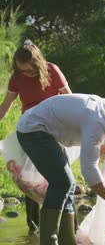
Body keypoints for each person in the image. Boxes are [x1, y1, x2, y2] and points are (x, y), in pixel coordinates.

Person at [16, 94, 105, 245]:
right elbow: (88, 170)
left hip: (50, 132)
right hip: (33, 129)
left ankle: (68, 241)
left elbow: (104, 136)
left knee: (69, 185)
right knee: (62, 182)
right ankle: (48, 241)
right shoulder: (97, 121)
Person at [0, 39, 72, 234]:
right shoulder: (17, 77)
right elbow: (6, 105)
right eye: (22, 71)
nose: (26, 74)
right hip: (29, 132)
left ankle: (64, 228)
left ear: (38, 63)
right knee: (29, 180)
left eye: (30, 70)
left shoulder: (52, 70)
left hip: (54, 131)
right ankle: (34, 228)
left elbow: (69, 98)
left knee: (62, 178)